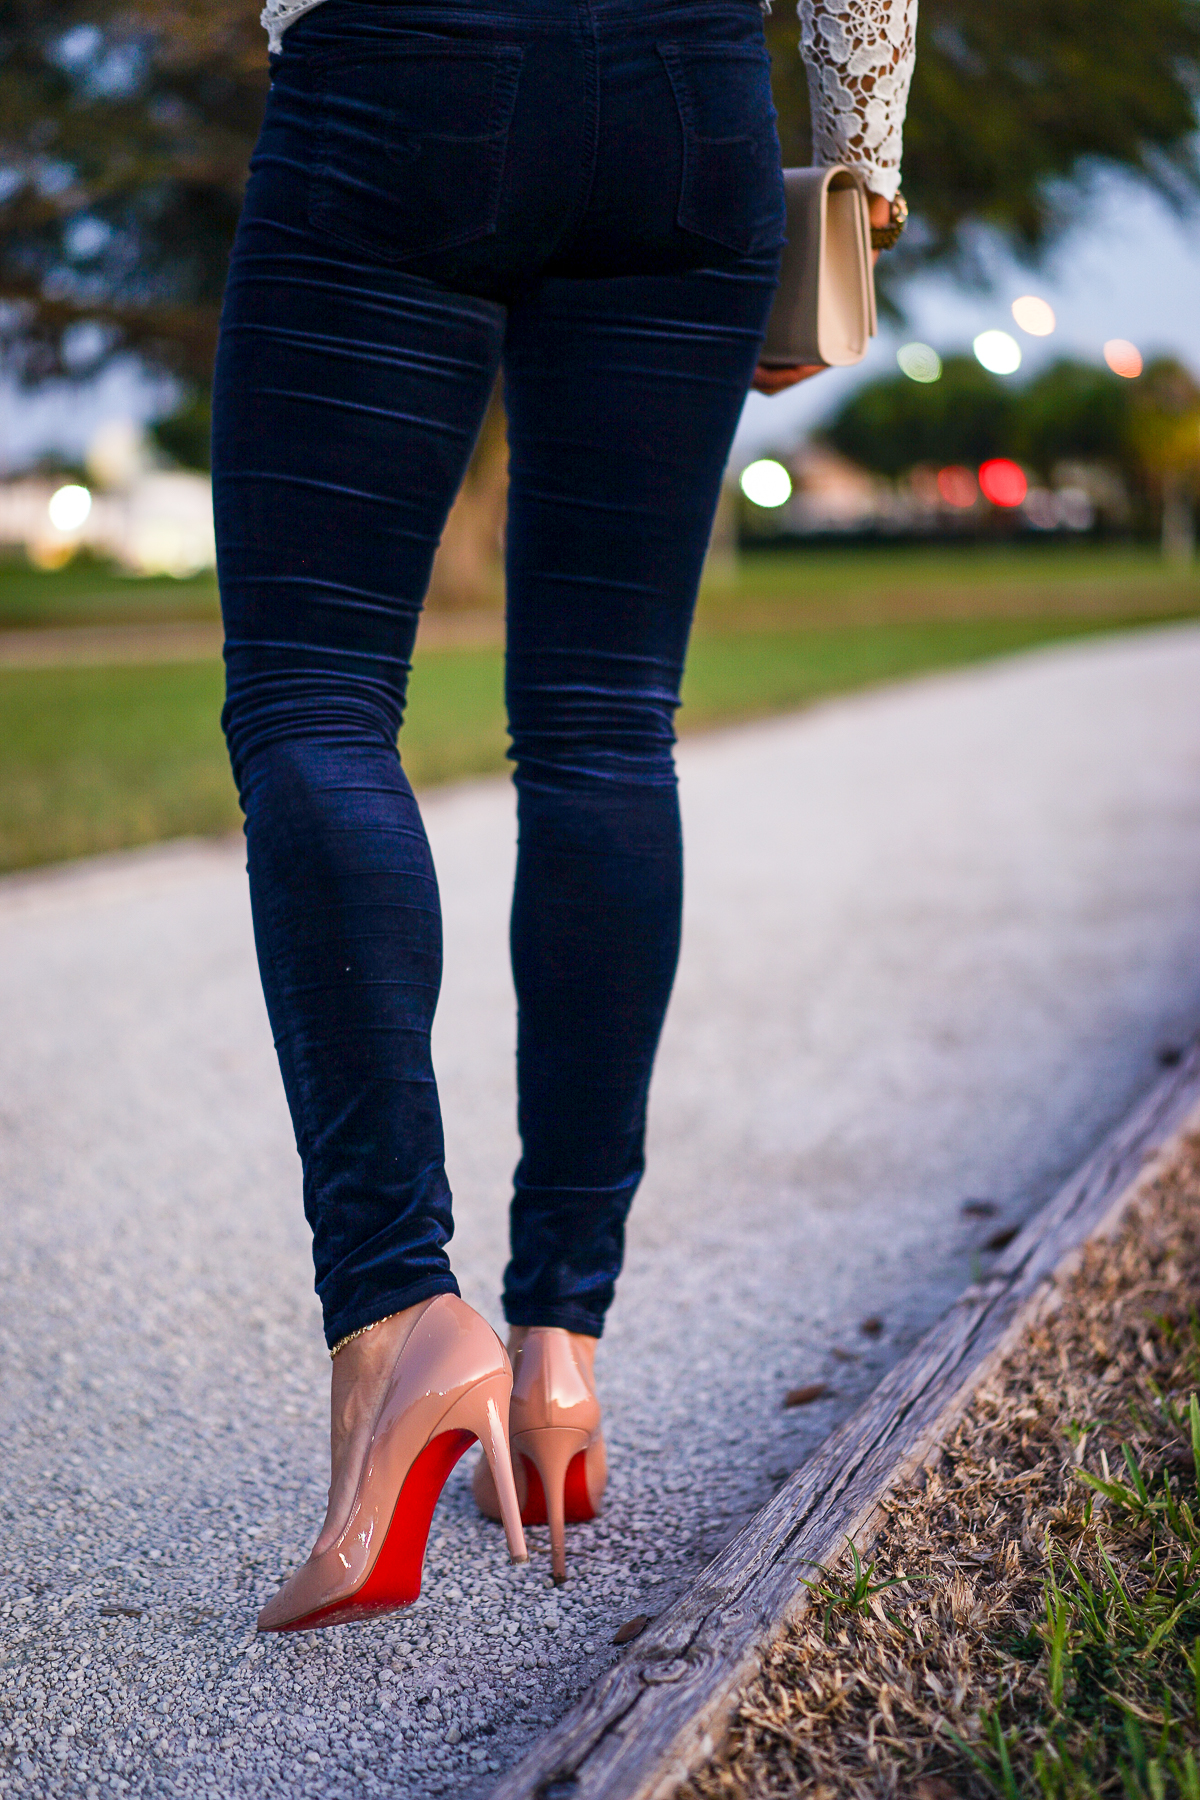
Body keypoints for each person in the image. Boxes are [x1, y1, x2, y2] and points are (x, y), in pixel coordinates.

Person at [212, 0, 916, 1631]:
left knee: (315, 694)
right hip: (682, 100)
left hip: (399, 71)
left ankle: (398, 1319)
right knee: (605, 729)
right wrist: (860, 157)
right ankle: (557, 1366)